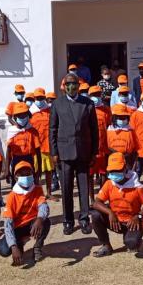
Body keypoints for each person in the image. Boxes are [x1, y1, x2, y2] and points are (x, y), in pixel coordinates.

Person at [49, 73, 98, 235]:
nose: (71, 87)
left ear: (78, 85)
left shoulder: (88, 103)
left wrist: (94, 152)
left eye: (74, 84)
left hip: (83, 152)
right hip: (64, 153)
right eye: (68, 84)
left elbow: (94, 130)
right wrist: (54, 152)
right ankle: (68, 221)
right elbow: (53, 129)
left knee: (84, 188)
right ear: (64, 86)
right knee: (67, 189)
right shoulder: (57, 104)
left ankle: (84, 219)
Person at [90, 152, 143, 257]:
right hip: (115, 221)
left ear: (125, 168)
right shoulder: (109, 183)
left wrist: (138, 216)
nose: (114, 173)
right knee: (95, 215)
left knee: (132, 244)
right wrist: (110, 212)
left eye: (117, 170)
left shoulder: (137, 187)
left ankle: (130, 238)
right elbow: (96, 203)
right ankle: (106, 246)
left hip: (132, 223)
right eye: (112, 171)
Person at [0, 162, 51, 265]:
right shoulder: (12, 196)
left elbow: (44, 206)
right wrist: (13, 246)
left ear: (32, 174)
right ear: (16, 177)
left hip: (32, 224)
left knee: (46, 221)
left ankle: (37, 247)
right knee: (4, 250)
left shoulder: (37, 189)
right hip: (17, 228)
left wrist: (40, 219)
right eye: (22, 174)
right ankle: (19, 243)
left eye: (28, 173)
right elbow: (8, 223)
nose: (25, 176)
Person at [6, 102, 41, 186]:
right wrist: (7, 170)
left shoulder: (33, 131)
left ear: (28, 116)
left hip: (29, 159)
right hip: (16, 160)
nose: (22, 118)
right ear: (14, 117)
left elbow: (38, 152)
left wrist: (39, 169)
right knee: (16, 185)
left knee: (31, 184)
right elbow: (8, 152)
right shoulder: (12, 132)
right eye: (19, 116)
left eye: (24, 115)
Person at [88, 85, 111, 203]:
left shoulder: (106, 110)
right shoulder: (86, 109)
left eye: (97, 95)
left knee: (103, 174)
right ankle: (92, 199)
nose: (96, 97)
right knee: (90, 175)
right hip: (90, 150)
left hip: (103, 148)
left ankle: (101, 198)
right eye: (93, 95)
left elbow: (109, 126)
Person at [30, 89, 54, 198]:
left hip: (47, 146)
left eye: (41, 98)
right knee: (36, 172)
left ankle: (49, 193)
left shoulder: (50, 111)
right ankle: (37, 193)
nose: (39, 100)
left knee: (49, 171)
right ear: (34, 99)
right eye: (37, 98)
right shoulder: (30, 112)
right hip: (36, 147)